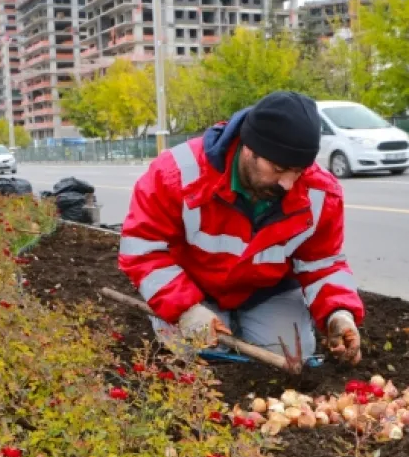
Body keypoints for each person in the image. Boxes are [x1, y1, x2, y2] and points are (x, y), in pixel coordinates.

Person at [118, 91, 364, 367]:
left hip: (267, 291)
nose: (287, 184)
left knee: (292, 355)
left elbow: (323, 263)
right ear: (249, 148)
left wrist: (339, 313)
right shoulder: (175, 174)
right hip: (193, 287)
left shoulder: (320, 194)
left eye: (299, 171)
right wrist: (184, 309)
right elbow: (143, 250)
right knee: (194, 354)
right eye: (279, 168)